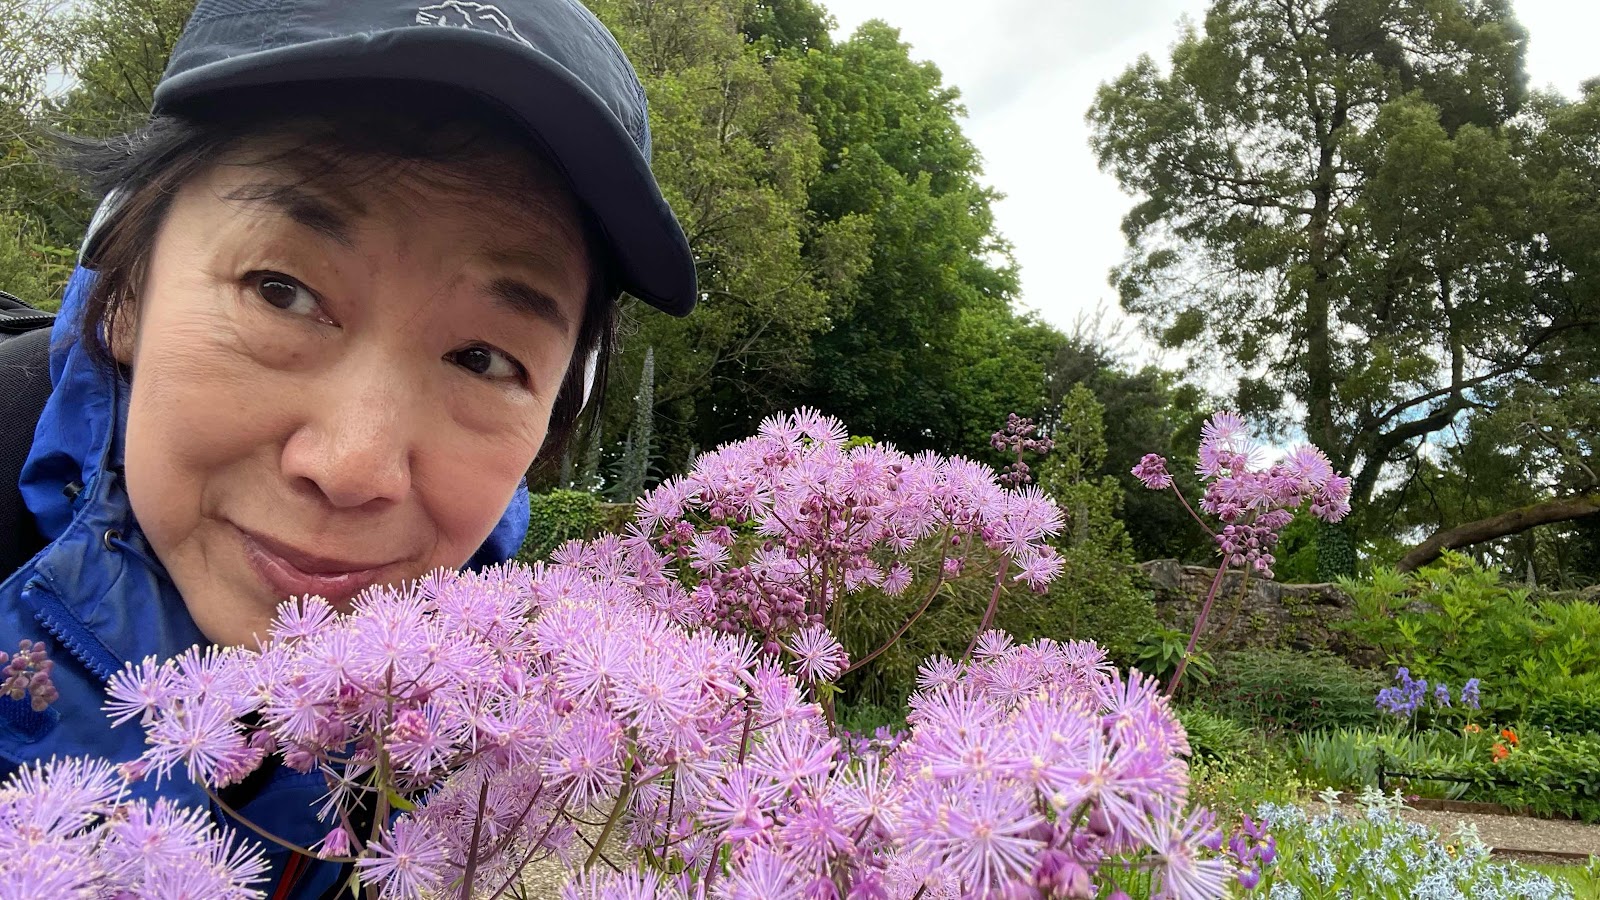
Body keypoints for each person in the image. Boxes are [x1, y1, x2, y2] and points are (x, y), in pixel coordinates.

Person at [0, 0, 696, 895]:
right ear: (126, 287)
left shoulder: (491, 703)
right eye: (281, 290)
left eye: (481, 359)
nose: (352, 467)